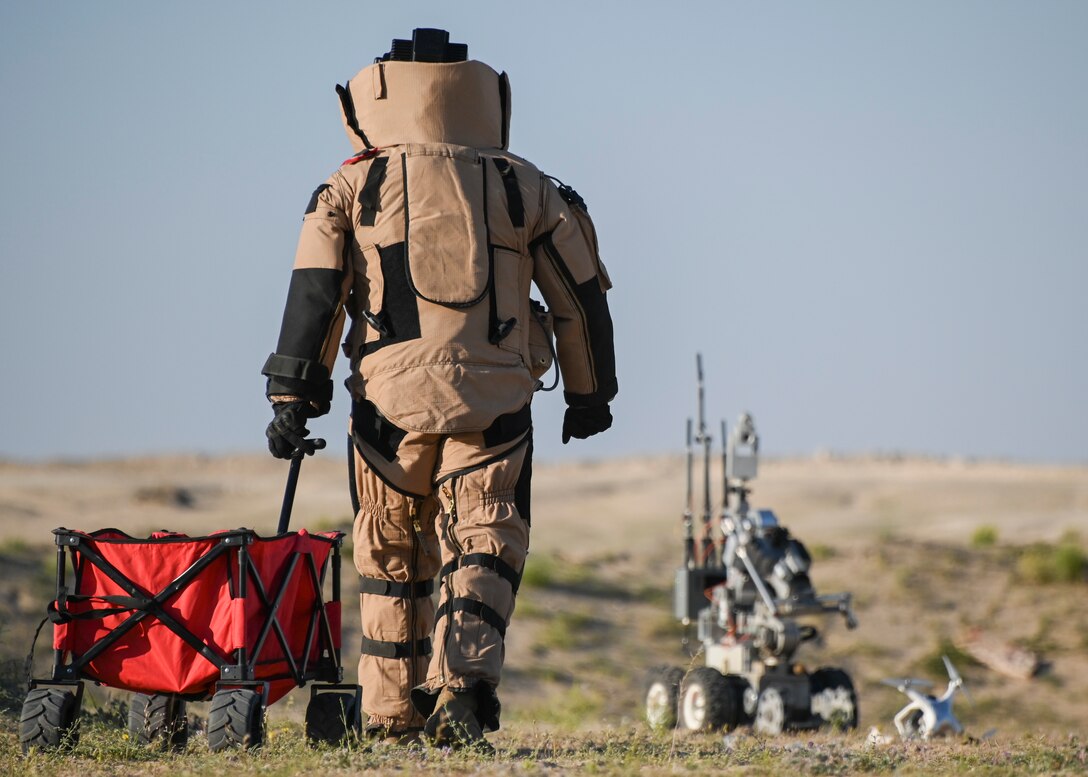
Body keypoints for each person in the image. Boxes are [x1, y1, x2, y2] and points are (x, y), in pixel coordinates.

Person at [262, 28, 617, 750]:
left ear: (373, 95)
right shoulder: (528, 184)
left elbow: (314, 296)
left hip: (387, 407)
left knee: (392, 555)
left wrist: (290, 400)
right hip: (496, 403)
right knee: (484, 540)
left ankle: (391, 715)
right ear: (481, 94)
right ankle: (463, 688)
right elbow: (581, 298)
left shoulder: (351, 183)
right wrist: (590, 395)